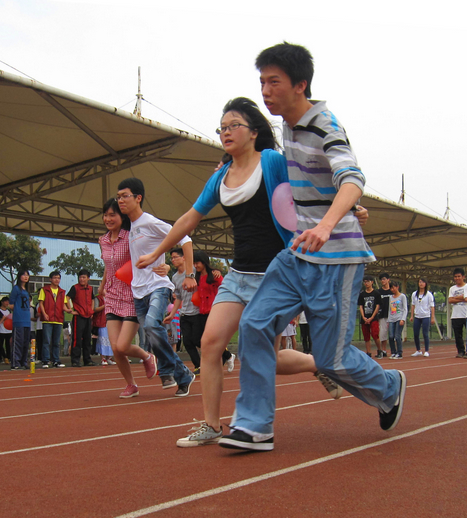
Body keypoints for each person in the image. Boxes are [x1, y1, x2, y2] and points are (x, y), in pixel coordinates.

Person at [214, 42, 406, 450]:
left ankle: (388, 386)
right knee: (253, 324)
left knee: (332, 358)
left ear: (300, 85)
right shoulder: (286, 124)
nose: (265, 90)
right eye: (261, 81)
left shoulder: (325, 126)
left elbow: (351, 177)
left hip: (337, 259)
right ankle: (253, 426)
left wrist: (330, 222)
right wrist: (230, 162)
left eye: (274, 82)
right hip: (296, 255)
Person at [138, 96, 357, 447]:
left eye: (232, 126)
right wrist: (157, 251)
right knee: (210, 344)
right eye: (221, 128)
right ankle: (212, 425)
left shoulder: (271, 161)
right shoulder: (221, 177)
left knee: (263, 358)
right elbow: (190, 218)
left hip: (273, 276)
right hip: (238, 275)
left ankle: (317, 364)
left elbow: (308, 186)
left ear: (253, 132)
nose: (225, 132)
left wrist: (350, 206)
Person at [117, 177, 196, 397]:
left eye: (125, 196)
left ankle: (168, 370)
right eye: (118, 197)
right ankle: (182, 374)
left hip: (158, 287)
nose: (121, 200)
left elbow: (186, 240)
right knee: (152, 335)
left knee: (152, 325)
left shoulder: (150, 222)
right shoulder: (131, 227)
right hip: (138, 292)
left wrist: (189, 274)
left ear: (138, 197)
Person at [97, 197, 162, 398]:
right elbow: (109, 266)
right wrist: (102, 286)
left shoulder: (131, 236)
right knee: (115, 349)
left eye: (112, 214)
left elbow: (151, 253)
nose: (108, 218)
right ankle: (131, 385)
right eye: (105, 215)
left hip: (133, 294)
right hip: (112, 296)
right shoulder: (103, 240)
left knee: (123, 345)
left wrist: (163, 266)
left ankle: (146, 356)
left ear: (121, 216)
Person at [37, 271, 72, 368]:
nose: (57, 280)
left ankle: (56, 360)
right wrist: (44, 314)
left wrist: (68, 310)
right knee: (47, 341)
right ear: (50, 279)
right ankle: (46, 360)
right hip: (48, 319)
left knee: (56, 342)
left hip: (58, 319)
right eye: (55, 278)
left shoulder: (62, 292)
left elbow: (63, 305)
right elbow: (41, 303)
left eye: (58, 278)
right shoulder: (44, 290)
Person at [68, 269, 96, 367]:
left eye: (84, 277)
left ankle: (87, 359)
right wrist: (71, 310)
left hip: (88, 316)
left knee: (88, 338)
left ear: (88, 278)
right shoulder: (75, 288)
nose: (82, 279)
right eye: (80, 277)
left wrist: (92, 310)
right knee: (77, 339)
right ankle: (75, 360)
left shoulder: (90, 288)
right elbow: (67, 298)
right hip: (79, 316)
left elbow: (93, 299)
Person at [9, 269, 33, 369]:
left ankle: (23, 361)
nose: (25, 277)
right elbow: (11, 304)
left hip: (27, 319)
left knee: (25, 342)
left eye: (27, 275)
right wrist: (18, 310)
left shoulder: (26, 291)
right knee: (18, 341)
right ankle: (15, 362)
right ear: (19, 276)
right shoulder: (16, 289)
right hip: (19, 319)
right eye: (23, 275)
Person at [410, 278, 435, 357]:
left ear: (425, 284)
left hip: (425, 316)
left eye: (423, 282)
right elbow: (413, 305)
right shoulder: (414, 294)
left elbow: (432, 306)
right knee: (416, 334)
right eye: (420, 282)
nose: (421, 283)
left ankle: (426, 350)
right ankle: (418, 350)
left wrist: (432, 317)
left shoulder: (429, 294)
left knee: (425, 333)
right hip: (417, 316)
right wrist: (411, 316)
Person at [357, 276, 380, 358]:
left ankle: (379, 349)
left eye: (368, 281)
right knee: (366, 336)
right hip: (365, 317)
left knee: (375, 334)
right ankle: (368, 352)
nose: (366, 283)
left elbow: (377, 306)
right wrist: (363, 317)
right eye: (365, 282)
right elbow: (361, 306)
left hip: (373, 317)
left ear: (372, 282)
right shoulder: (362, 294)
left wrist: (372, 317)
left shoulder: (376, 293)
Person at [448, 267, 467, 358]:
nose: (457, 278)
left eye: (459, 276)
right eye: (455, 276)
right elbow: (450, 300)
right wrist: (462, 297)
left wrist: (456, 298)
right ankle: (461, 351)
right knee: (457, 335)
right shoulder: (452, 288)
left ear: (463, 277)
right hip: (456, 315)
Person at [387, 280, 407, 359]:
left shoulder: (402, 296)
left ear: (397, 287)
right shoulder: (390, 297)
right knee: (391, 336)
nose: (392, 289)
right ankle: (393, 352)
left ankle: (399, 352)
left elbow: (405, 308)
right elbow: (390, 309)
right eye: (391, 288)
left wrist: (403, 319)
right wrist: (388, 320)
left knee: (397, 336)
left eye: (393, 288)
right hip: (392, 318)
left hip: (399, 318)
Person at [376, 273, 392, 358]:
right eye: (381, 279)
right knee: (383, 333)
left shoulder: (392, 291)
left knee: (393, 334)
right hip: (382, 315)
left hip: (392, 315)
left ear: (388, 280)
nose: (383, 281)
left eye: (384, 279)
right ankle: (384, 350)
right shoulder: (379, 292)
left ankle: (394, 350)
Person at [0, 296, 12, 364]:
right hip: (1, 330)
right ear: (2, 302)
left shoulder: (8, 310)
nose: (7, 303)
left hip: (8, 330)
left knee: (8, 345)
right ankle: (0, 358)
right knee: (0, 345)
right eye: (6, 301)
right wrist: (3, 319)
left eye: (8, 302)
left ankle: (8, 357)